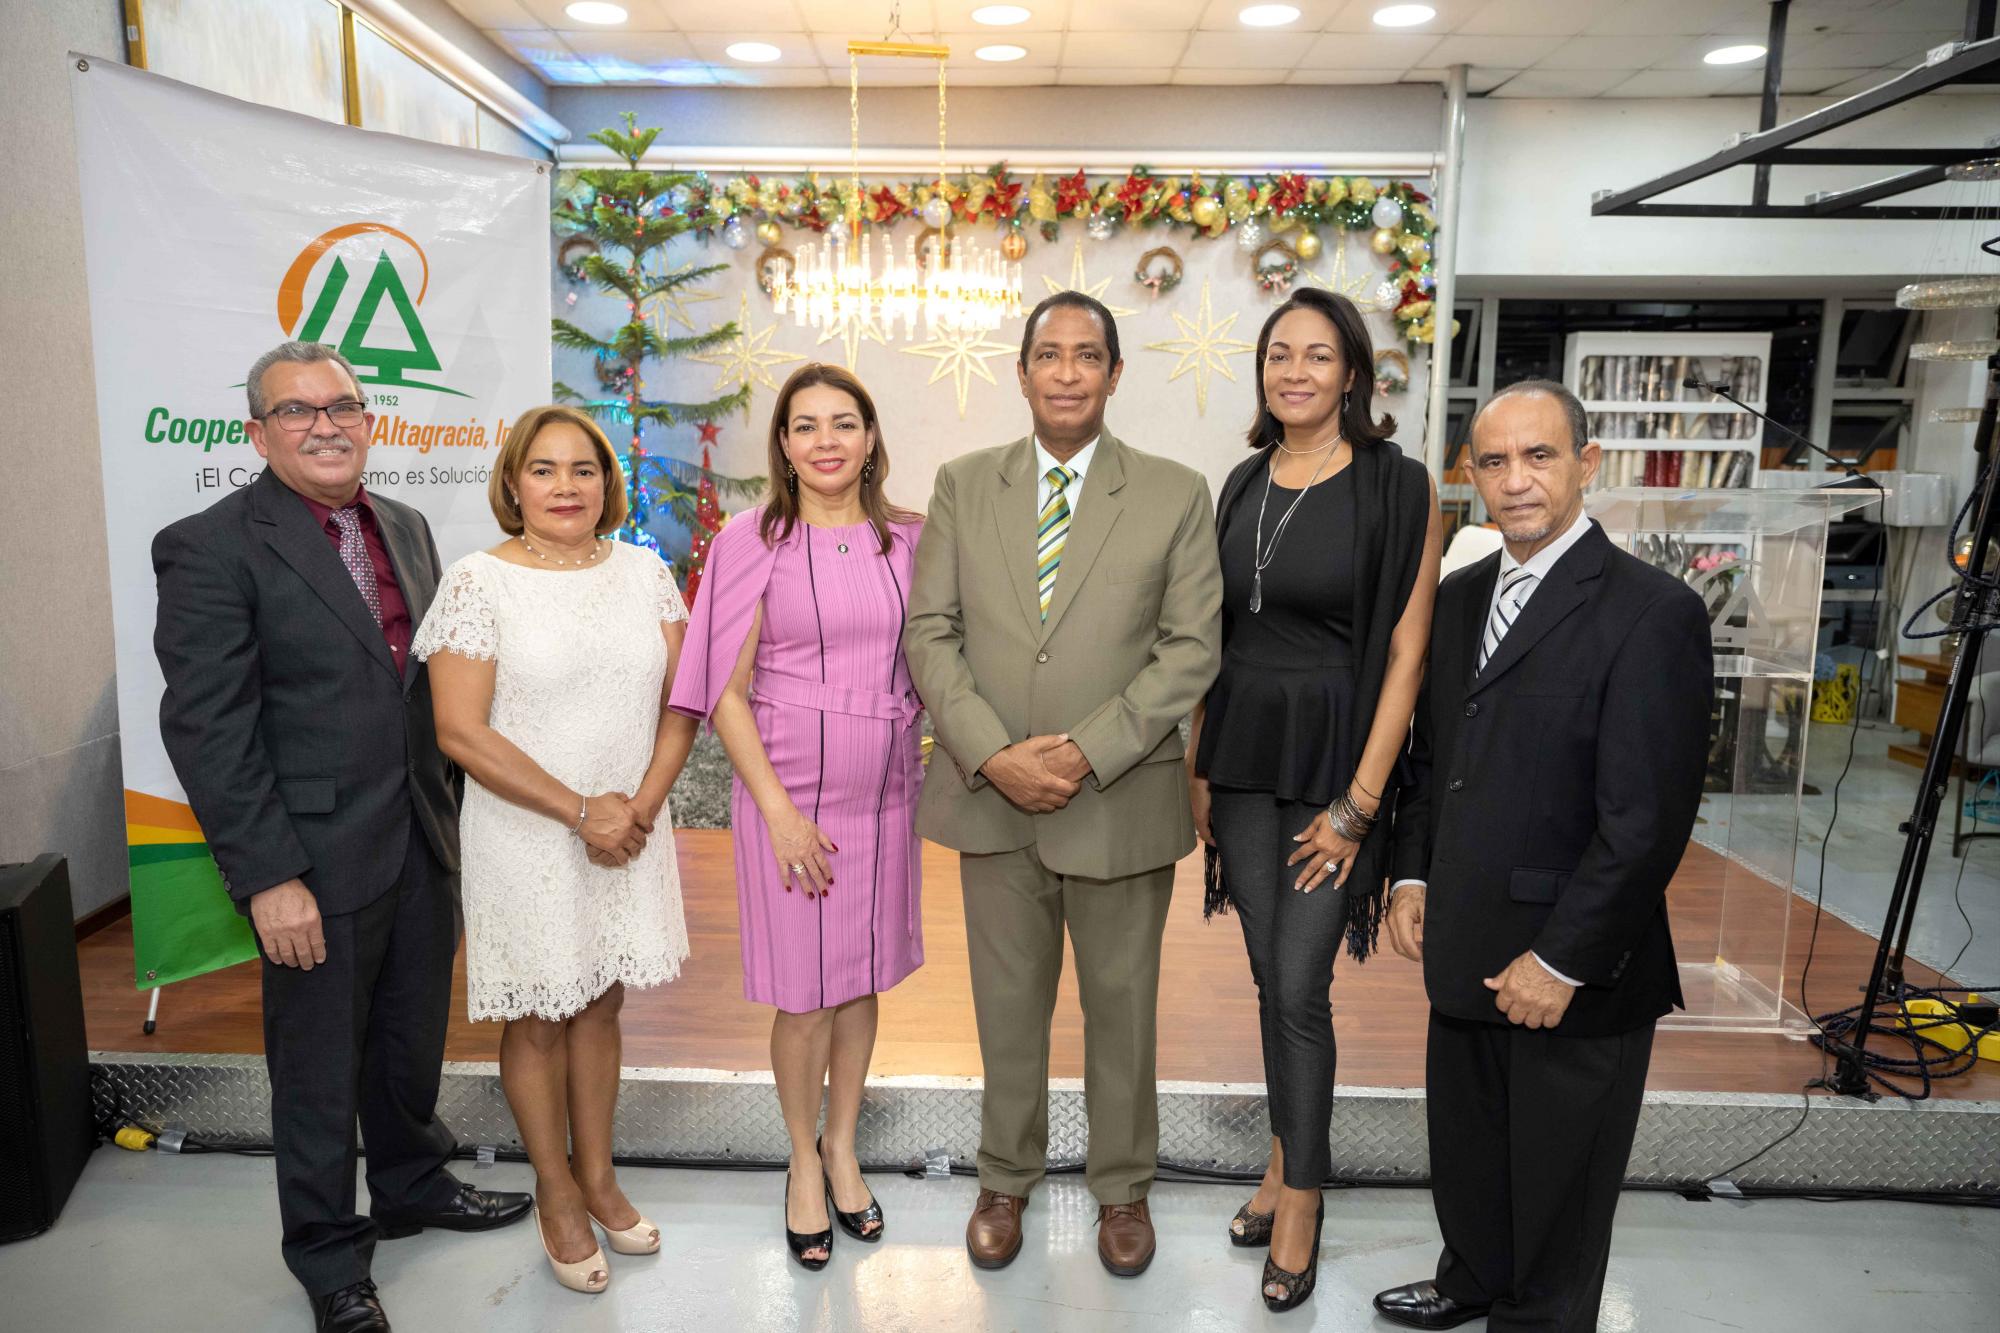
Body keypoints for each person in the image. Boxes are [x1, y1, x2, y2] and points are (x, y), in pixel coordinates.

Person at [152, 342, 529, 1333]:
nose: (324, 424)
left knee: (408, 1041)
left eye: (343, 406)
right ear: (256, 431)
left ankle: (409, 1181)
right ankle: (329, 1256)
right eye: (295, 411)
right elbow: (207, 725)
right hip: (311, 860)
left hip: (417, 836)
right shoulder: (211, 544)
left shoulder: (403, 526)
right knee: (317, 1069)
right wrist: (270, 874)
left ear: (368, 420)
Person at [1374, 379, 1712, 1331]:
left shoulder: (1653, 613)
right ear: (1470, 473)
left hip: (1577, 965)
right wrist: (1411, 872)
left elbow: (1646, 822)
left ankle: (1536, 1319)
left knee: (1561, 1184)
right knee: (1473, 1148)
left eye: (1540, 455)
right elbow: (1433, 755)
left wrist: (1562, 958)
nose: (1515, 480)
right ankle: (1472, 1277)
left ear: (1587, 464)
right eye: (1494, 460)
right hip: (1467, 939)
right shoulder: (1459, 595)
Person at [904, 291, 1223, 1279]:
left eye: (1089, 355)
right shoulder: (963, 484)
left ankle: (1122, 1188)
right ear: (1024, 370)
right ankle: (1004, 1176)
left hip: (1117, 800)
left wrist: (1083, 752)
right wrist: (993, 753)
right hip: (991, 797)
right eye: (1050, 354)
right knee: (1005, 1006)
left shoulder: (1173, 493)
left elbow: (1188, 652)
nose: (1069, 371)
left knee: (1121, 1006)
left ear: (1115, 374)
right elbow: (930, 633)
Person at [1187, 288, 1440, 1312]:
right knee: (1264, 973)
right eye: (1278, 354)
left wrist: (1358, 805)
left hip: (1336, 752)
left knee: (1298, 985)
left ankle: (1303, 1197)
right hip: (1242, 750)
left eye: (1317, 355)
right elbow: (1217, 634)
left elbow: (1408, 651)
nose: (1294, 370)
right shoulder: (1243, 479)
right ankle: (1279, 1162)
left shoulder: (1398, 484)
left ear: (1351, 374)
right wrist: (1199, 767)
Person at [414, 405, 694, 1295]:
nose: (566, 487)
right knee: (539, 1011)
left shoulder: (648, 574)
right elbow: (458, 731)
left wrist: (637, 810)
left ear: (607, 482)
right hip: (529, 829)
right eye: (544, 469)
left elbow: (680, 705)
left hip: (628, 829)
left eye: (583, 469)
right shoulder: (476, 583)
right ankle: (557, 1188)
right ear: (513, 483)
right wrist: (582, 812)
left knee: (601, 1003)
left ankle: (601, 1174)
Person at [668, 364, 924, 1271]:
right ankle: (800, 1158)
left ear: (869, 437)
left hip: (887, 790)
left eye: (843, 423)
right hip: (792, 792)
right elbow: (726, 694)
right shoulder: (751, 540)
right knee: (804, 991)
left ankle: (844, 1144)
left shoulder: (911, 539)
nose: (825, 440)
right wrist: (777, 812)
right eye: (805, 424)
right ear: (782, 443)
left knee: (859, 979)